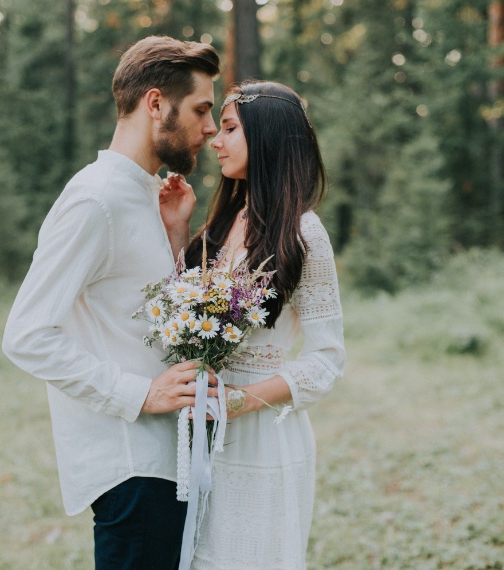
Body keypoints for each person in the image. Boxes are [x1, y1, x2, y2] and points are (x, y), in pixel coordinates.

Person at [1, 36, 220, 569]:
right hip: (132, 468)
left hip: (165, 460)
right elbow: (27, 335)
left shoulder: (145, 194)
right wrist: (138, 393)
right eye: (200, 110)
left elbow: (133, 314)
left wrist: (173, 238)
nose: (210, 128)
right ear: (155, 105)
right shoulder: (95, 198)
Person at [177, 81, 346, 569]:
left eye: (229, 129)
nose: (215, 139)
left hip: (262, 436)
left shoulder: (303, 232)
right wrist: (176, 228)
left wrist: (235, 403)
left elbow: (326, 361)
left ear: (267, 138)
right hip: (199, 426)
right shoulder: (225, 219)